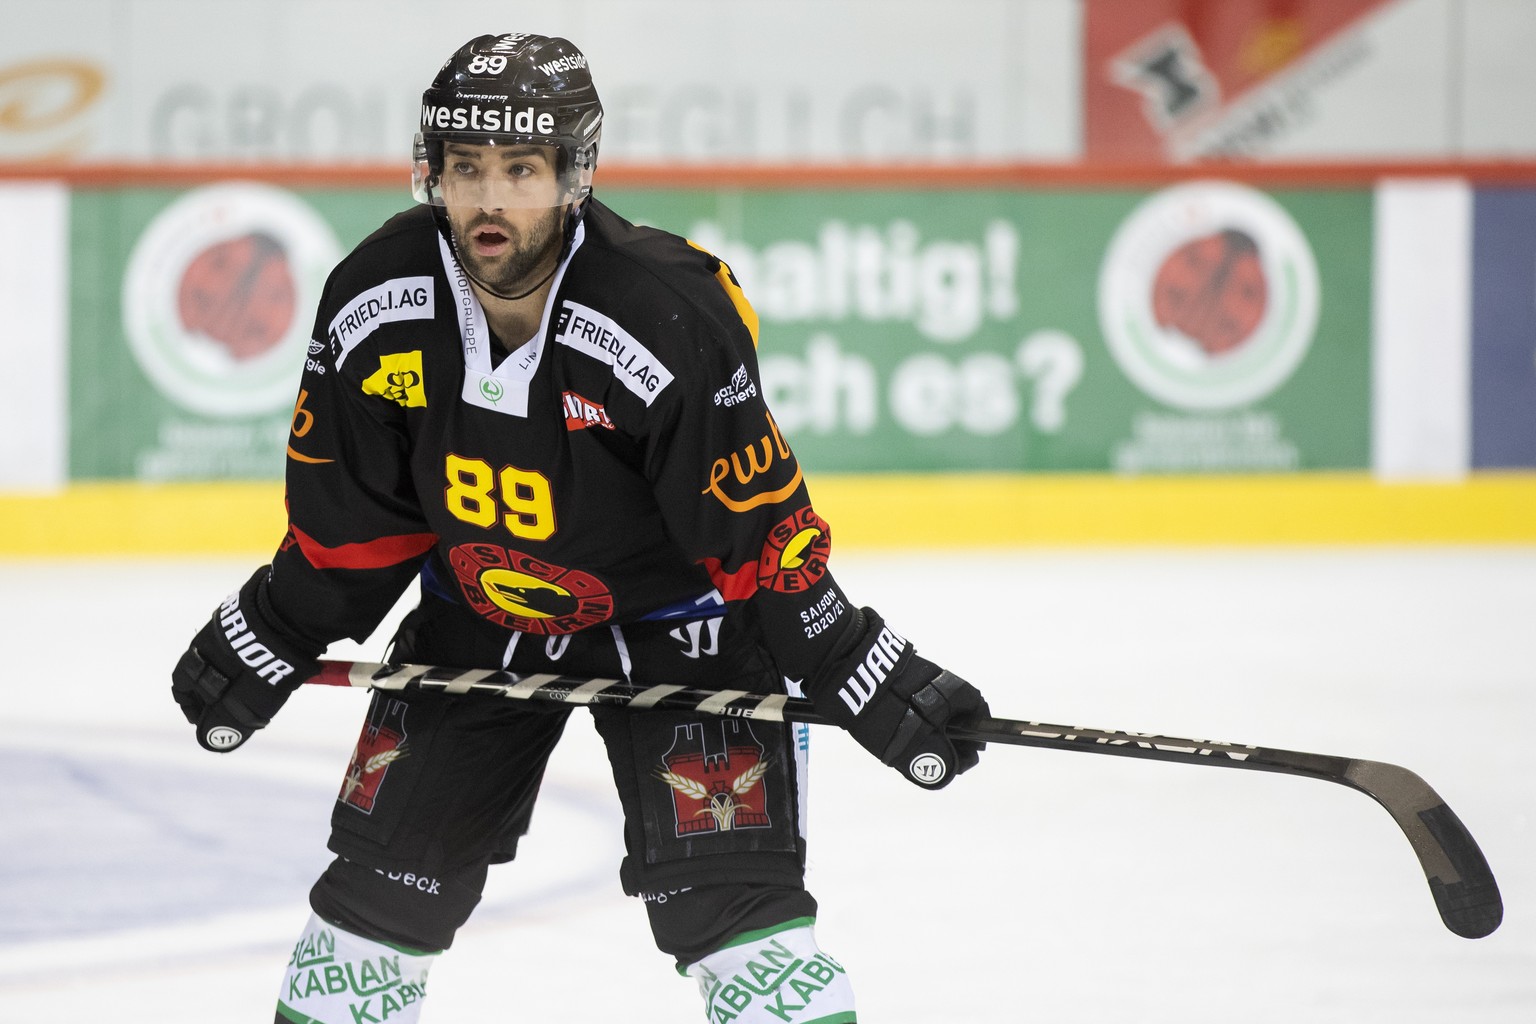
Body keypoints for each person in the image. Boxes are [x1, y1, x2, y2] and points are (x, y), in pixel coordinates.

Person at [171, 31, 988, 1024]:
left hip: (682, 630)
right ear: (433, 169)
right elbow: (358, 524)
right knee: (367, 922)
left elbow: (755, 533)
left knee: (748, 936)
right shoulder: (376, 300)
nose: (489, 199)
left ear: (573, 174)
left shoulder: (663, 313)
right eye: (466, 167)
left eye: (520, 168)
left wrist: (856, 658)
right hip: (477, 615)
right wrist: (279, 620)